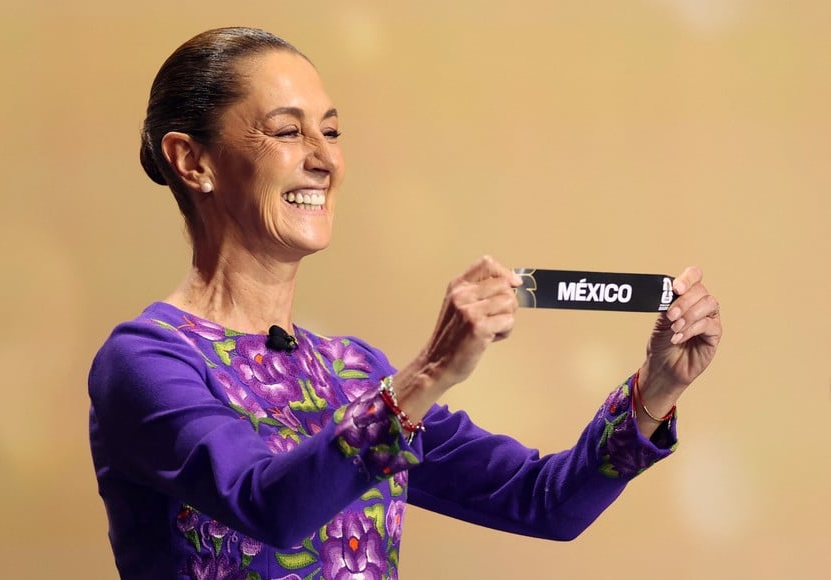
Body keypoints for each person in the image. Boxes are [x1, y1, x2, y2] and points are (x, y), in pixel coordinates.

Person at [88, 27, 722, 580]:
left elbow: (544, 502)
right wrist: (425, 376)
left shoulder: (352, 371)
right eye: (287, 130)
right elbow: (269, 505)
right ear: (191, 160)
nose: (324, 158)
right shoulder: (146, 361)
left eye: (331, 131)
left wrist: (654, 392)